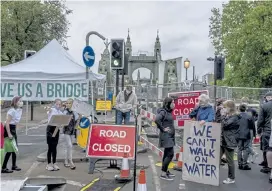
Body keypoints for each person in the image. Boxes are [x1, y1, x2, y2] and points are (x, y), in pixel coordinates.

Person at [155, 97, 176, 181]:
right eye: (172, 102)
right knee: (170, 154)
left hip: (170, 136)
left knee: (167, 153)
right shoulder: (163, 112)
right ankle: (163, 174)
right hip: (166, 136)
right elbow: (157, 120)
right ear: (168, 104)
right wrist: (163, 128)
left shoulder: (168, 112)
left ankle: (165, 171)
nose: (174, 104)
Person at [1, 96, 23, 173]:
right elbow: (7, 123)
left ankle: (14, 165)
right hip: (8, 129)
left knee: (14, 148)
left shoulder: (19, 110)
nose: (21, 102)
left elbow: (16, 122)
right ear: (15, 102)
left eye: (21, 101)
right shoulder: (11, 111)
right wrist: (9, 133)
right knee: (10, 149)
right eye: (19, 101)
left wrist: (14, 131)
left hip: (13, 128)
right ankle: (3, 167)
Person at [220, 100, 240, 184]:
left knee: (230, 161)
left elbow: (225, 124)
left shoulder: (235, 117)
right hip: (224, 140)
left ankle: (231, 178)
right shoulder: (229, 116)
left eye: (225, 107)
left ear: (229, 107)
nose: (223, 109)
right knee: (217, 158)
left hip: (230, 141)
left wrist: (222, 115)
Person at [45, 99, 64, 171]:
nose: (58, 106)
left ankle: (54, 163)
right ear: (54, 104)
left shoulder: (60, 112)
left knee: (55, 147)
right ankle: (49, 164)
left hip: (57, 129)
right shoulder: (52, 110)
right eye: (57, 104)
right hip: (50, 129)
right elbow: (48, 109)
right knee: (50, 147)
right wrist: (48, 108)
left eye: (60, 104)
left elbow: (63, 121)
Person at [63, 98, 80, 170]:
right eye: (67, 103)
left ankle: (66, 160)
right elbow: (63, 122)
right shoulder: (64, 112)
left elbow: (77, 121)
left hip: (72, 131)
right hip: (66, 131)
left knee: (69, 147)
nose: (68, 104)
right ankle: (71, 161)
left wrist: (80, 116)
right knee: (69, 145)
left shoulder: (75, 112)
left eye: (69, 103)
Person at [258, 92, 272, 174]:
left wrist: (259, 130)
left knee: (266, 148)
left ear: (267, 97)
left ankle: (267, 165)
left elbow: (260, 120)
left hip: (267, 130)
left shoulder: (264, 106)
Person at [237, 104, 255, 170]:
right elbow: (252, 126)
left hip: (239, 134)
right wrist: (254, 135)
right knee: (246, 149)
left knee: (239, 149)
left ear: (239, 108)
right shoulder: (249, 116)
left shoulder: (237, 116)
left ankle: (239, 164)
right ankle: (244, 164)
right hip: (247, 134)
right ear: (245, 109)